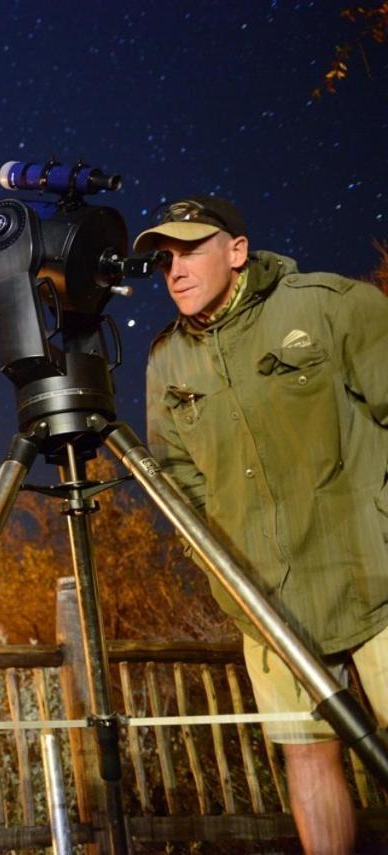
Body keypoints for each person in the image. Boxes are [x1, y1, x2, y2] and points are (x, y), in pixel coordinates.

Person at [138, 195, 388, 853]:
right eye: (165, 258)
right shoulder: (167, 362)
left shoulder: (330, 305)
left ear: (238, 249)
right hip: (266, 603)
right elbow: (179, 483)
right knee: (308, 757)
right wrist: (223, 567)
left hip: (375, 578)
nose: (175, 269)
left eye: (191, 249)